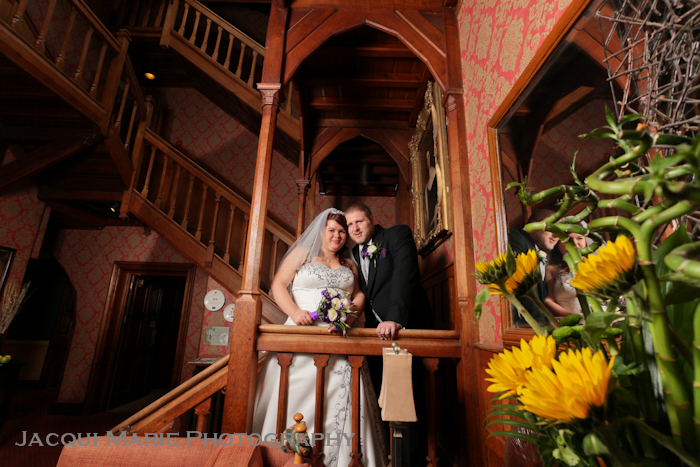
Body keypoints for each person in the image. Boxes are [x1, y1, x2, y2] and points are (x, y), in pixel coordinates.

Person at [252, 208, 388, 467]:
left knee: (339, 401)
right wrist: (295, 312)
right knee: (293, 397)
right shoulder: (303, 255)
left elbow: (358, 294)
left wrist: (349, 317)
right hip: (301, 335)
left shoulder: (349, 263)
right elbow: (278, 285)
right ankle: (285, 458)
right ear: (321, 231)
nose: (337, 235)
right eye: (332, 230)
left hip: (339, 339)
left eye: (342, 231)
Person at [345, 203, 432, 467]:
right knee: (384, 397)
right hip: (375, 335)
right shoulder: (353, 253)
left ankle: (413, 462)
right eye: (349, 224)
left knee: (409, 398)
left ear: (371, 219)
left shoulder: (397, 234)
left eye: (359, 221)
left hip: (406, 328)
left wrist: (395, 318)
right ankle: (389, 457)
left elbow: (405, 275)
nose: (354, 228)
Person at [508, 209, 559, 327]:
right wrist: (539, 323)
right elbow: (522, 281)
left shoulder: (539, 252)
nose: (556, 235)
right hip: (520, 322)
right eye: (551, 228)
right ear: (533, 226)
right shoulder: (517, 238)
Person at [545, 230, 587, 318]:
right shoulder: (552, 269)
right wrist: (574, 318)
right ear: (558, 243)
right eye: (568, 239)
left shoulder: (596, 265)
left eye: (580, 238)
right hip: (570, 321)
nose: (574, 243)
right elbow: (548, 300)